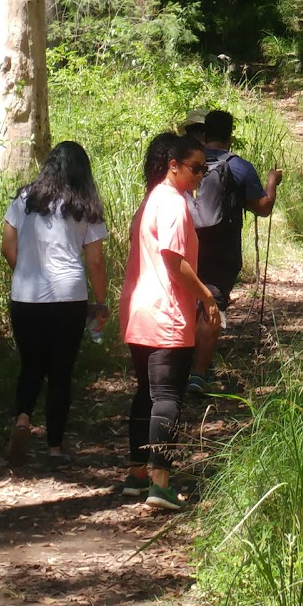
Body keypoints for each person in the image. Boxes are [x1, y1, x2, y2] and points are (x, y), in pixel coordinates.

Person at [118, 132, 220, 511]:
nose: (200, 175)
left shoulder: (149, 200)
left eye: (204, 169)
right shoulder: (175, 203)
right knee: (167, 397)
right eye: (195, 168)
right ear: (173, 166)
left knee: (145, 394)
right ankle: (159, 481)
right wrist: (206, 295)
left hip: (138, 310)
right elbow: (175, 262)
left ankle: (137, 474)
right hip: (165, 313)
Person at [1, 140, 109, 469]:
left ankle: (22, 419)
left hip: (25, 295)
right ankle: (54, 448)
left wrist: (25, 270)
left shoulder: (24, 199)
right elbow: (96, 261)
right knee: (60, 372)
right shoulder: (86, 205)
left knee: (31, 364)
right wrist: (102, 301)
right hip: (68, 297)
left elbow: (8, 247)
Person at [187, 108, 282, 398]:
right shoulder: (239, 166)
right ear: (230, 135)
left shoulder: (186, 162)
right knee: (212, 303)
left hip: (185, 241)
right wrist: (271, 183)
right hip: (222, 246)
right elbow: (263, 208)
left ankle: (190, 361)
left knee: (188, 300)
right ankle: (198, 375)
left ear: (203, 134)